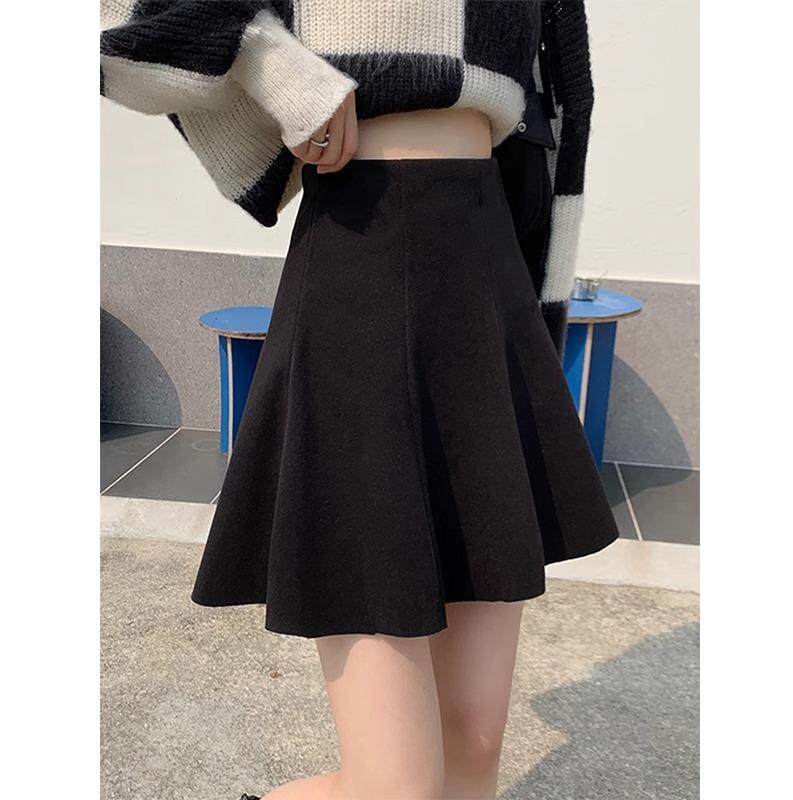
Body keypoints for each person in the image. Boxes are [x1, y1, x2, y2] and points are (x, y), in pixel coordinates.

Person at [101, 2, 617, 798]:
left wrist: (536, 324)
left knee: (474, 747)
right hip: (361, 252)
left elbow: (558, 111)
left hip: (487, 271)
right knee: (398, 787)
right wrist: (277, 70)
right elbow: (112, 20)